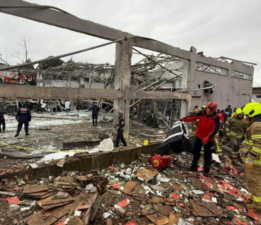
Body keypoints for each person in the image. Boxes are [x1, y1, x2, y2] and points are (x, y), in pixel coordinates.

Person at [179, 102, 220, 177]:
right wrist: (184, 119)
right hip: (199, 136)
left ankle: (206, 170)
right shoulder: (202, 113)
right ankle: (194, 166)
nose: (208, 111)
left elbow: (215, 129)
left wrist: (208, 137)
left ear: (214, 110)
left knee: (207, 155)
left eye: (210, 110)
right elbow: (193, 117)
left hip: (209, 139)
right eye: (207, 109)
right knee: (196, 152)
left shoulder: (216, 118)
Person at [240, 102, 261, 210]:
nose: (246, 117)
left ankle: (257, 205)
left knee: (254, 183)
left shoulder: (256, 126)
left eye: (247, 115)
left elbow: (258, 145)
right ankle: (255, 199)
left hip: (256, 162)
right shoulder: (256, 124)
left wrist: (250, 159)